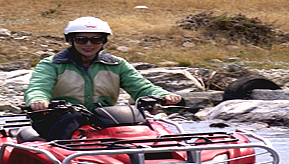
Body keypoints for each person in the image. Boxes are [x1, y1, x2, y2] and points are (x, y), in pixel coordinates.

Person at [24, 16, 182, 141]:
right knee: (75, 117)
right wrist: (38, 100)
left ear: (103, 41)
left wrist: (163, 96)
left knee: (138, 121)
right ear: (71, 40)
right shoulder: (51, 64)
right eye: (81, 39)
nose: (88, 44)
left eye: (95, 39)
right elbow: (38, 87)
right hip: (57, 120)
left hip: (104, 118)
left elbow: (141, 87)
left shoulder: (117, 64)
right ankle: (57, 160)